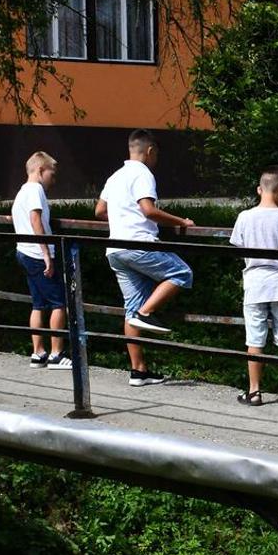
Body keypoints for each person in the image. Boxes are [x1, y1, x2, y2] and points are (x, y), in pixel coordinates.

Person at [94, 130, 195, 387]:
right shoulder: (143, 174)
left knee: (130, 309)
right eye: (156, 154)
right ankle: (146, 312)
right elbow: (148, 210)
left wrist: (122, 218)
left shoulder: (115, 176)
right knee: (182, 273)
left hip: (116, 249)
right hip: (138, 243)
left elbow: (100, 211)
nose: (156, 158)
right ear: (150, 151)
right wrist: (181, 221)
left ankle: (139, 371)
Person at [230, 165, 278, 406]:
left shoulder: (244, 217)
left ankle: (254, 392)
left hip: (254, 283)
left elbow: (238, 246)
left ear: (258, 189)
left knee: (255, 339)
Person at [11, 151, 71, 368]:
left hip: (24, 252)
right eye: (51, 175)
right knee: (59, 303)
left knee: (38, 304)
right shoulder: (35, 190)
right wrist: (47, 254)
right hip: (37, 254)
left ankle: (38, 353)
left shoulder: (21, 192)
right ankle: (57, 353)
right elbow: (35, 219)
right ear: (40, 171)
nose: (53, 181)